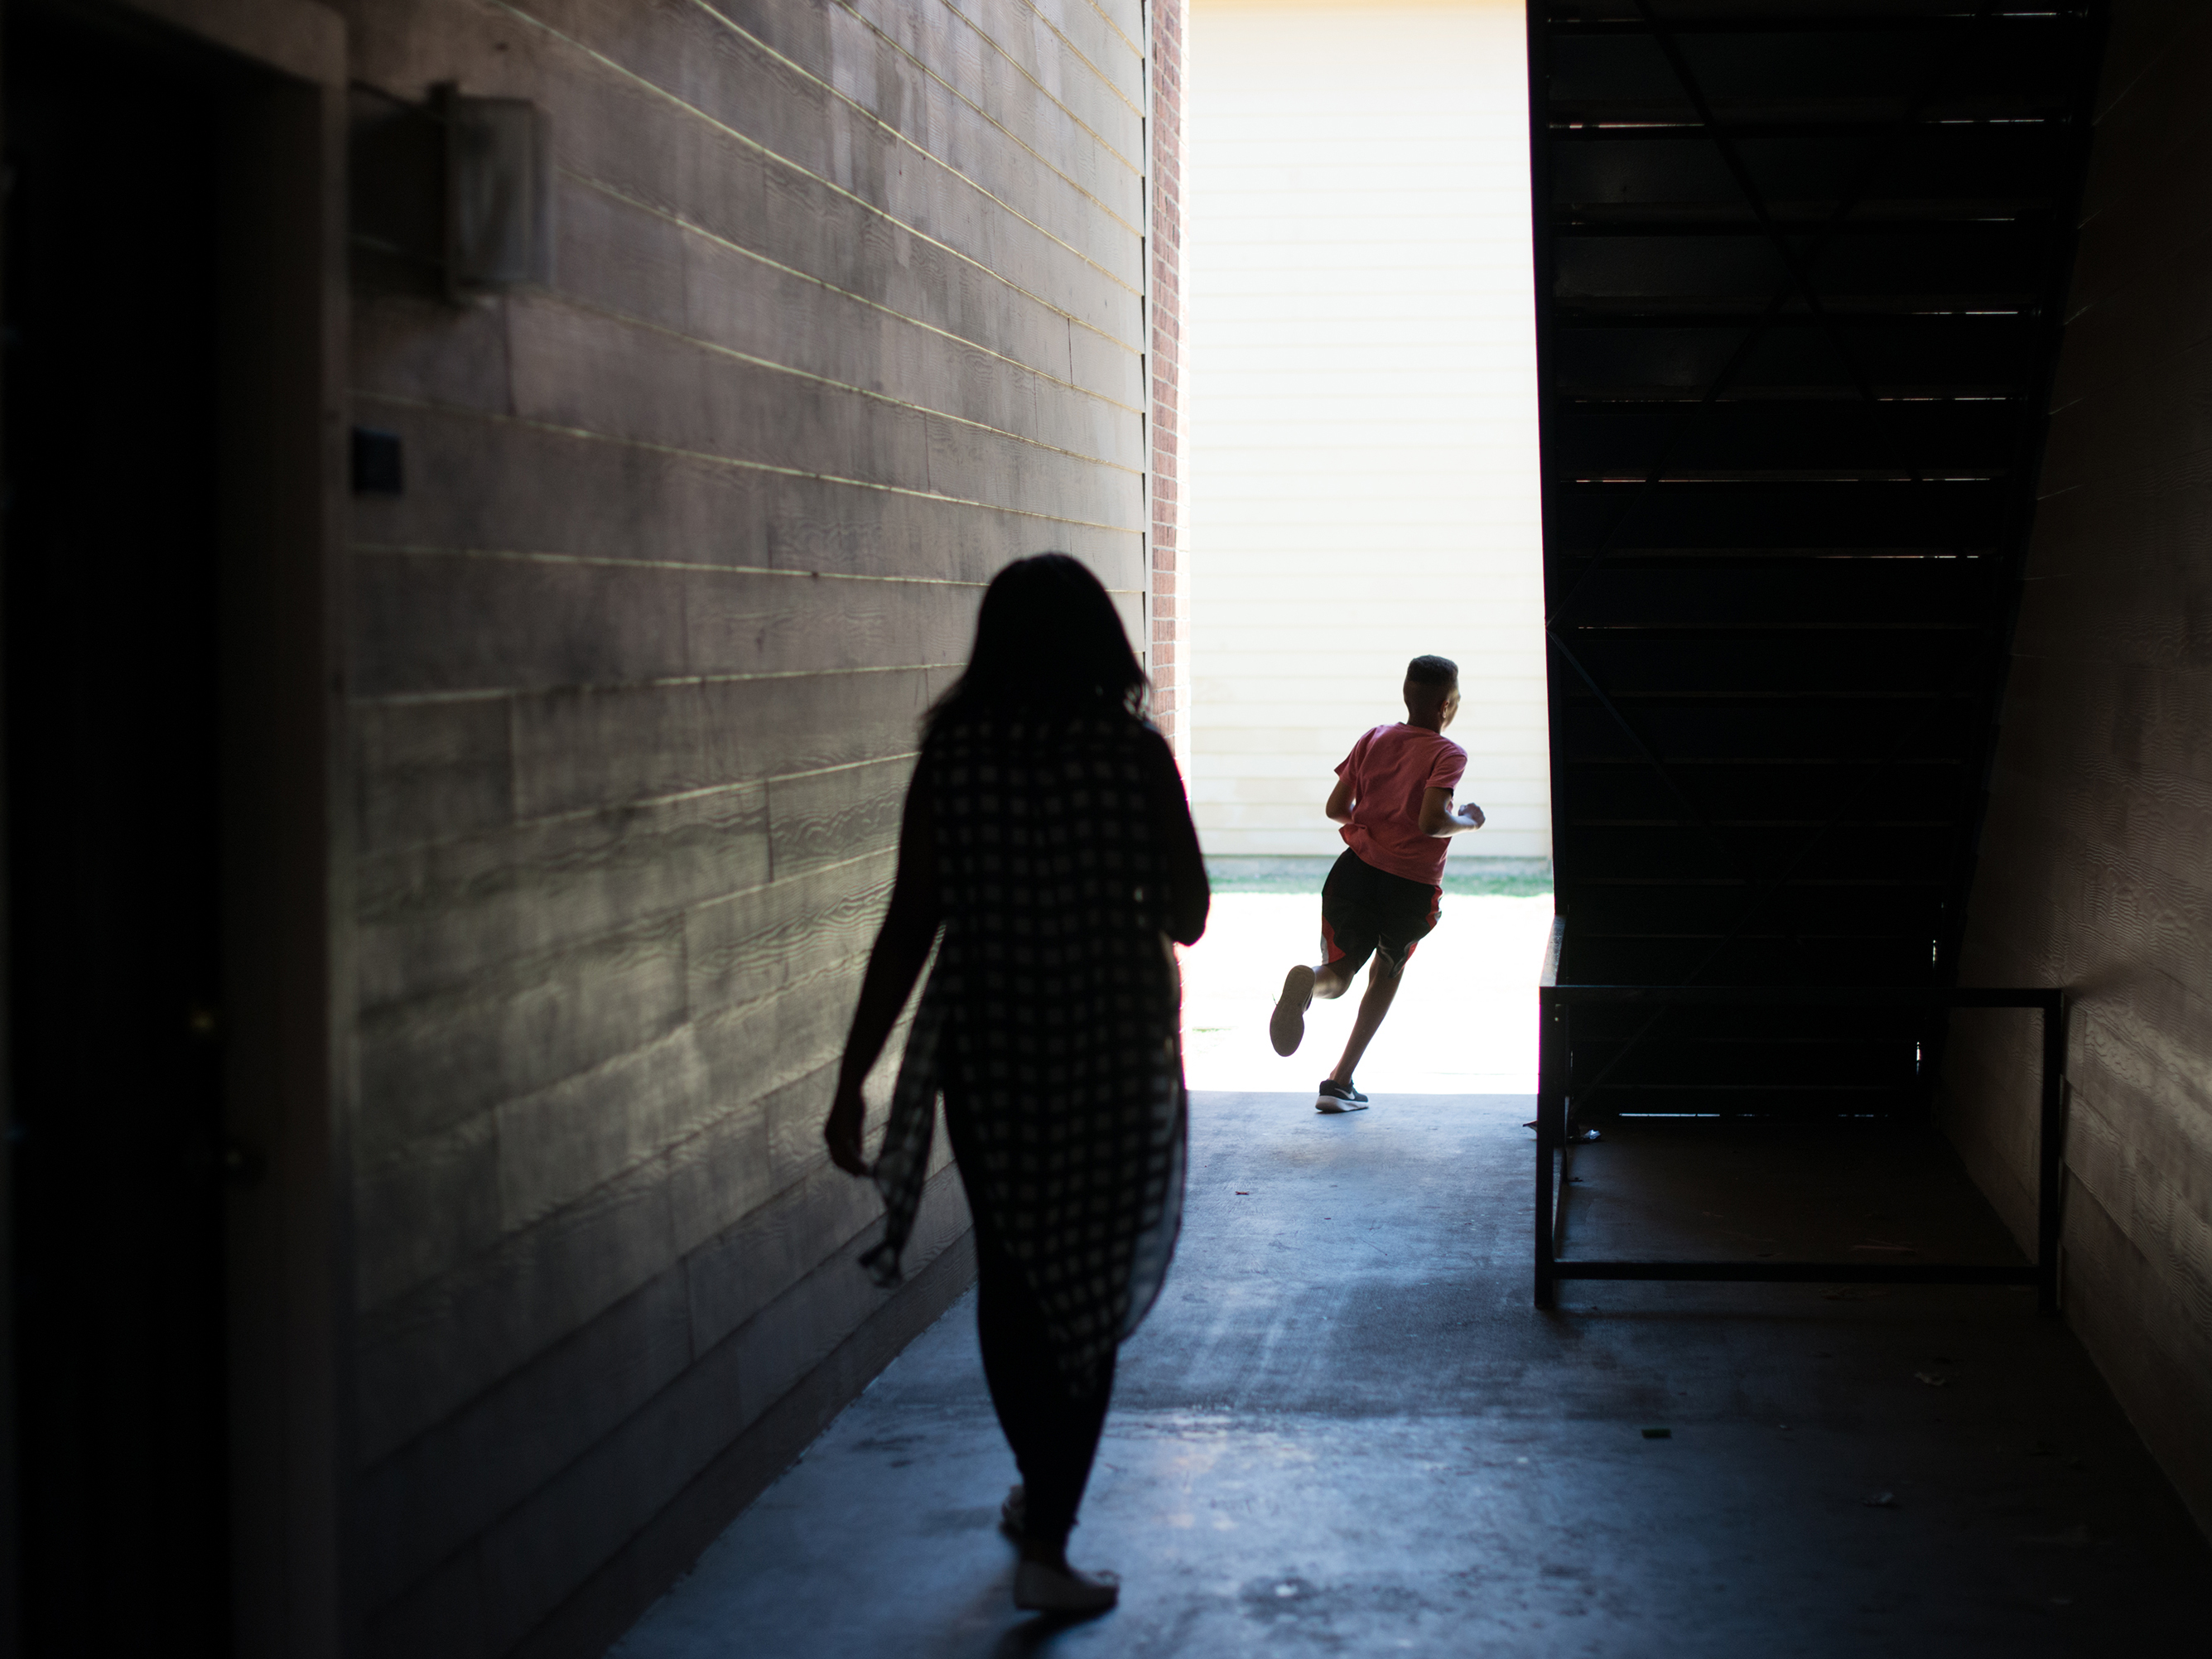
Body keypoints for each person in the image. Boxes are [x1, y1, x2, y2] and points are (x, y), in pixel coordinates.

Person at [824, 553, 1208, 1615]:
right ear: (1101, 645)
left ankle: (1037, 1493)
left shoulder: (954, 751)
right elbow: (1188, 912)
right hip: (1110, 1046)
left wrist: (854, 1075)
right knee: (1087, 1276)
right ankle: (1048, 1532)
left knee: (1013, 1273)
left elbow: (912, 921)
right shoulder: (1132, 755)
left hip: (990, 1048)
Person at [1268, 654, 1484, 1111]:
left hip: (1355, 871)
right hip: (1408, 886)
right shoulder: (1447, 753)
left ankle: (1310, 983)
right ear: (1447, 706)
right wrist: (1466, 820)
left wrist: (1372, 823)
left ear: (1406, 694)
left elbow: (1336, 808)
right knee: (1387, 971)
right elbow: (1432, 820)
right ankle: (1341, 1079)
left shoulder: (1374, 738)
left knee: (1340, 972)